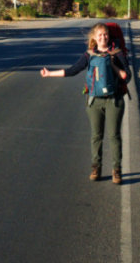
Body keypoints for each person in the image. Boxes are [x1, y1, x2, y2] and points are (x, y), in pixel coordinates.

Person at [41, 22, 130, 184]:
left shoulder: (117, 54)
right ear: (94, 38)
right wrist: (49, 74)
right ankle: (96, 168)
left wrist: (112, 65)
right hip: (94, 101)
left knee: (114, 136)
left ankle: (117, 170)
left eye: (105, 35)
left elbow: (127, 76)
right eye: (100, 35)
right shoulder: (89, 55)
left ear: (109, 36)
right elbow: (73, 70)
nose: (103, 37)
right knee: (96, 136)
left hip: (114, 101)